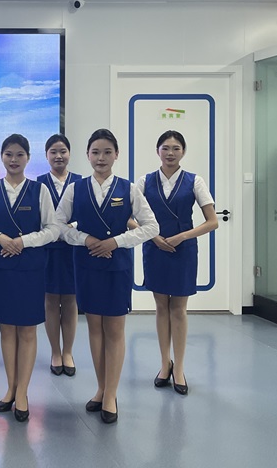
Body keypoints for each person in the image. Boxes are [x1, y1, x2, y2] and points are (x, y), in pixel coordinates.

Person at [54, 129, 158, 424]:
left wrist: (116, 242)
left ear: (116, 155)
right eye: (96, 152)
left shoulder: (129, 189)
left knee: (114, 330)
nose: (101, 158)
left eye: (107, 152)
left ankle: (111, 394)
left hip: (117, 265)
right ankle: (100, 389)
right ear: (87, 155)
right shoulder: (75, 189)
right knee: (94, 329)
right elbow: (57, 224)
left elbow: (152, 227)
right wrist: (85, 239)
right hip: (86, 263)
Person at [0, 134, 60, 422]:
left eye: (19, 154)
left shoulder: (39, 190)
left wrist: (23, 242)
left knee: (27, 330)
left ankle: (23, 392)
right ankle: (10, 388)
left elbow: (52, 229)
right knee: (6, 330)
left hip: (30, 269)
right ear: (1, 157)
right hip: (0, 267)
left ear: (28, 158)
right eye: (9, 154)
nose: (13, 159)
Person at [137, 130, 217, 396]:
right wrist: (154, 237)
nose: (170, 153)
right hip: (155, 248)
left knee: (179, 310)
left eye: (176, 148)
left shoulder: (195, 181)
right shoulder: (145, 181)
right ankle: (165, 364)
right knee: (161, 307)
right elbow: (128, 216)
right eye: (165, 148)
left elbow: (212, 222)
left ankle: (179, 368)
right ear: (157, 151)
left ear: (183, 151)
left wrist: (183, 235)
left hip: (183, 250)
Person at [36, 134, 82, 377]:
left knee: (71, 301)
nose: (58, 156)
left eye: (63, 151)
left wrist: (68, 228)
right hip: (48, 249)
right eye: (53, 151)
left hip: (72, 248)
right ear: (46, 155)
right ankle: (55, 352)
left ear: (70, 154)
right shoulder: (38, 183)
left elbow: (85, 214)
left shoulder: (80, 182)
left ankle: (68, 352)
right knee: (51, 301)